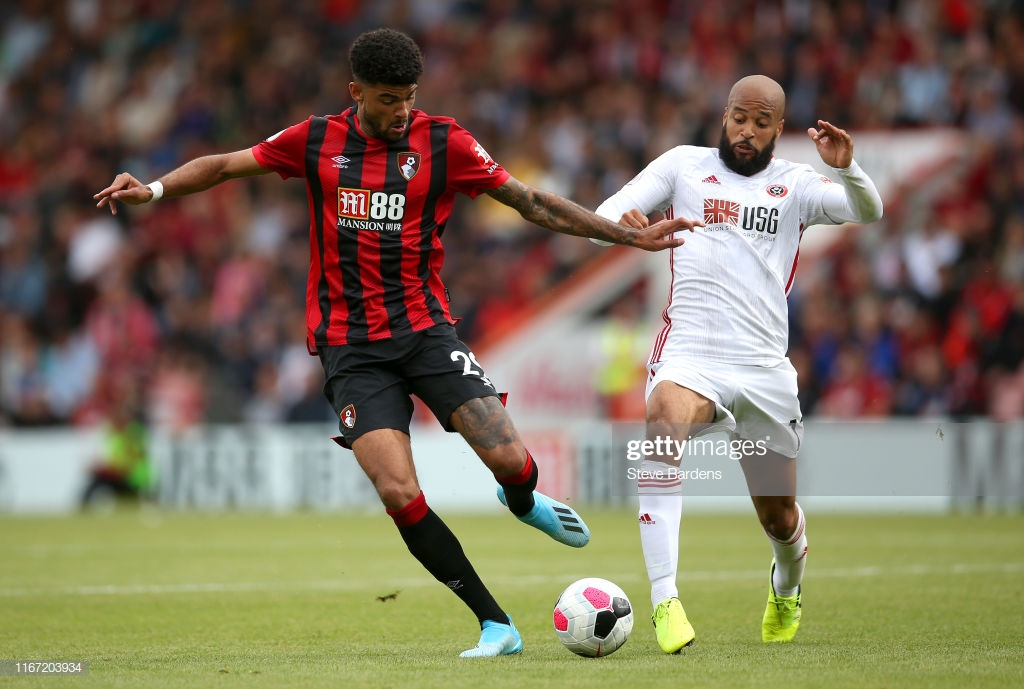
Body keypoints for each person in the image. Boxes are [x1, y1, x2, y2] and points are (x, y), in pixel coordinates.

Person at [94, 28, 698, 658]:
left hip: (425, 332)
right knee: (398, 491)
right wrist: (155, 189)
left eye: (409, 96)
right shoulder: (315, 140)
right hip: (351, 350)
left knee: (509, 458)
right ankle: (496, 624)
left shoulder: (445, 141)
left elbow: (532, 201)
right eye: (387, 99)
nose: (401, 110)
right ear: (355, 92)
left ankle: (521, 500)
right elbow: (222, 166)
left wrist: (622, 236)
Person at [594, 75, 883, 651]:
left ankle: (787, 587)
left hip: (763, 370)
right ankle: (664, 600)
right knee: (660, 428)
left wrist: (849, 169)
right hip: (690, 356)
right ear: (723, 116)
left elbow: (866, 211)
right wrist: (624, 229)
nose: (745, 131)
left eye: (759, 122)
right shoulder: (682, 166)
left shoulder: (796, 185)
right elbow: (606, 216)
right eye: (737, 118)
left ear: (779, 128)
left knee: (778, 518)